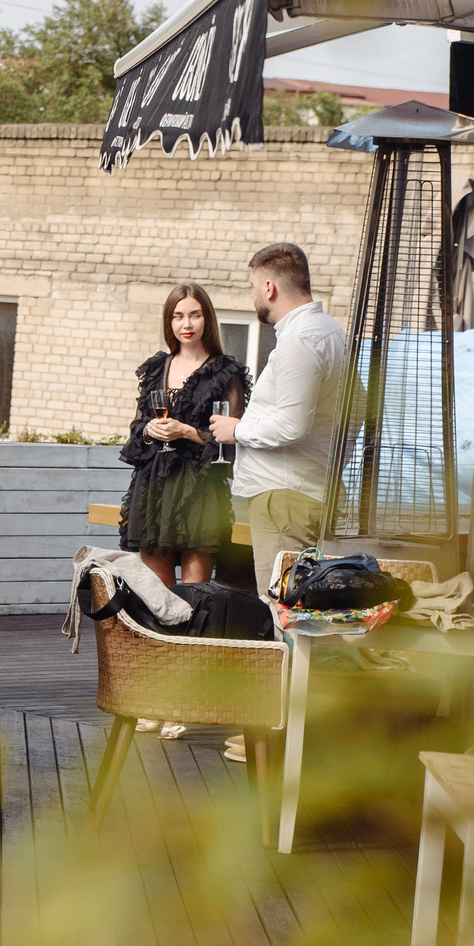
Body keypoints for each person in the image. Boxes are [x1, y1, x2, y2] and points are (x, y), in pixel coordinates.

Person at [209, 242, 351, 764]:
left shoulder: (298, 343)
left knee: (285, 617)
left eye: (252, 287)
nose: (253, 296)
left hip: (285, 498)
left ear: (269, 286)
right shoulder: (331, 333)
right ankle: (287, 732)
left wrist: (234, 429)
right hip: (305, 491)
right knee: (298, 616)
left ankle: (277, 739)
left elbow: (290, 425)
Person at [120, 284, 249, 585]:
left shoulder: (226, 373)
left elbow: (232, 442)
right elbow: (140, 437)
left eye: (195, 315)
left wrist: (188, 432)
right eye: (178, 316)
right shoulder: (155, 369)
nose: (186, 324)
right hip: (153, 490)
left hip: (201, 491)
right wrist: (151, 430)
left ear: (208, 319)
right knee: (158, 598)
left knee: (196, 595)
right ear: (169, 322)